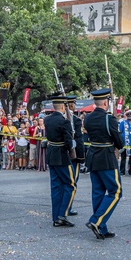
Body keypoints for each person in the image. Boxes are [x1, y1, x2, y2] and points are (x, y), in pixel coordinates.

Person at [82, 88, 124, 240]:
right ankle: (96, 221)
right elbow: (119, 141)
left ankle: (101, 228)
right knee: (116, 192)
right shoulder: (109, 119)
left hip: (93, 155)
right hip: (106, 157)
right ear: (106, 102)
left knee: (98, 192)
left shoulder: (87, 118)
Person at [43, 94, 74, 225]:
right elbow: (68, 142)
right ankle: (62, 214)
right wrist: (72, 145)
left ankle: (56, 217)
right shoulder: (65, 121)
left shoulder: (47, 120)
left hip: (51, 154)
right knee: (70, 184)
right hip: (61, 155)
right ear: (63, 106)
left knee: (56, 186)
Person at [65, 95, 84, 216]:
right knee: (72, 182)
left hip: (62, 155)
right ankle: (68, 207)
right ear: (71, 105)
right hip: (73, 155)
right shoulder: (75, 120)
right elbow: (79, 140)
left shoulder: (57, 119)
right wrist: (81, 157)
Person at [118, 110, 131, 176]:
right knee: (123, 158)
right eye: (128, 114)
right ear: (126, 115)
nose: (130, 115)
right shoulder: (122, 123)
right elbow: (119, 132)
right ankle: (122, 171)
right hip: (125, 143)